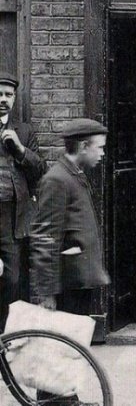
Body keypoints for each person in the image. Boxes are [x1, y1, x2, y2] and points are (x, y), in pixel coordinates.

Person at [30, 118, 111, 313]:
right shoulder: (57, 180)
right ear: (83, 146)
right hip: (67, 286)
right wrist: (47, 293)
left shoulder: (75, 175)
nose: (102, 153)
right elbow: (45, 237)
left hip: (79, 280)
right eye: (99, 147)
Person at [0, 71, 46, 330]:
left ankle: (10, 336)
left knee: (13, 279)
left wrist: (20, 149)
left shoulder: (24, 131)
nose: (3, 99)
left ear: (15, 98)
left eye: (8, 95)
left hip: (12, 217)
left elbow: (40, 170)